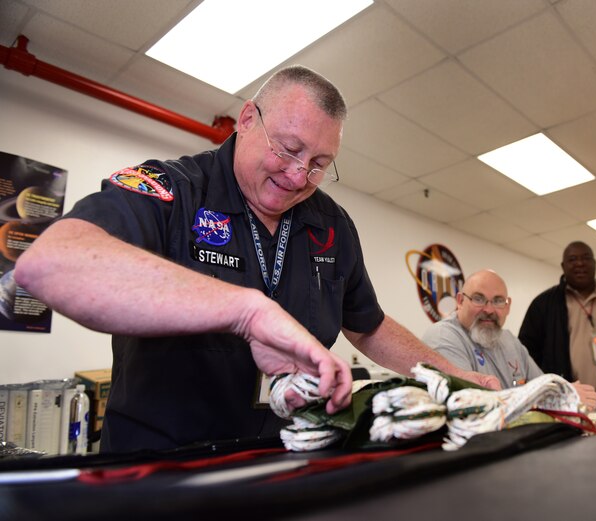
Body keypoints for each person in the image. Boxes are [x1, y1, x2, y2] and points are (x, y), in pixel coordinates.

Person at [14, 65, 498, 453]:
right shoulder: (172, 189)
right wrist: (247, 311)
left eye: (318, 164)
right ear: (247, 120)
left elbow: (367, 323)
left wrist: (447, 370)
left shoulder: (332, 226)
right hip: (159, 465)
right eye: (289, 150)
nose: (297, 175)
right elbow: (51, 263)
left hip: (278, 457)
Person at [422, 269, 596, 410]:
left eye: (498, 301)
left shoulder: (509, 340)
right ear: (460, 301)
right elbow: (473, 406)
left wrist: (567, 393)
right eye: (478, 298)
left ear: (508, 306)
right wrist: (561, 396)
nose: (489, 309)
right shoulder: (443, 337)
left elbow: (545, 385)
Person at [518, 241, 596, 405]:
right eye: (572, 259)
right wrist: (545, 391)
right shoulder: (544, 304)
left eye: (586, 258)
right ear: (563, 266)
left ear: (594, 263)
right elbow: (526, 352)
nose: (579, 263)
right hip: (562, 402)